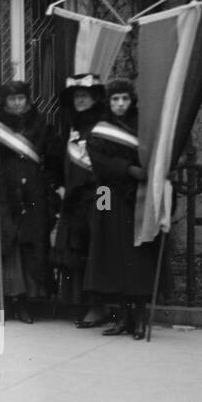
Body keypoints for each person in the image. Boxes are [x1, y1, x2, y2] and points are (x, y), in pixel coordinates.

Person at [0, 80, 56, 323]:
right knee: (4, 246)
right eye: (12, 99)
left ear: (28, 101)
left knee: (29, 245)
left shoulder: (41, 126)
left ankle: (25, 302)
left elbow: (51, 159)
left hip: (32, 195)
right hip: (2, 194)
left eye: (21, 98)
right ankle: (6, 299)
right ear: (4, 102)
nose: (17, 103)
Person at [84, 79, 160, 339]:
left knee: (138, 258)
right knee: (116, 258)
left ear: (132, 101)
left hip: (138, 198)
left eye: (125, 99)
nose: (120, 104)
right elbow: (99, 161)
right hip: (112, 198)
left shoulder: (144, 127)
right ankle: (123, 318)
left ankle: (138, 318)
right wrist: (127, 169)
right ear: (109, 102)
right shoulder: (100, 128)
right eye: (115, 99)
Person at [50, 74, 106, 326]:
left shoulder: (102, 124)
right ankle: (80, 303)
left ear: (94, 98)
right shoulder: (73, 126)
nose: (80, 100)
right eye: (77, 96)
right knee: (76, 250)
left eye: (84, 95)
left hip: (99, 195)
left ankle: (99, 305)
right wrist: (62, 185)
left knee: (97, 249)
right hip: (75, 197)